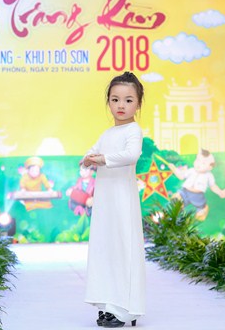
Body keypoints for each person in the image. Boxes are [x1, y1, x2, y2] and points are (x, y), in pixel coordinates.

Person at [83, 71, 145, 328]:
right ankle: (107, 304)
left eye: (128, 100)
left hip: (122, 199)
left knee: (123, 247)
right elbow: (93, 151)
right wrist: (88, 158)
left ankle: (125, 309)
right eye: (115, 99)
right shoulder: (107, 133)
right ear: (108, 101)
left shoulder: (134, 130)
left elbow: (131, 155)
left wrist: (102, 159)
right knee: (105, 247)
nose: (121, 105)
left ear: (138, 104)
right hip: (105, 200)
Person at [168, 149, 225, 221]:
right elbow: (181, 176)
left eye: (203, 163)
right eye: (198, 160)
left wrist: (220, 192)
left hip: (197, 195)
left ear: (210, 167)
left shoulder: (208, 175)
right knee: (176, 198)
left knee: (200, 213)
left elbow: (213, 186)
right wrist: (174, 169)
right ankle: (179, 213)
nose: (199, 164)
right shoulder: (191, 170)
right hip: (185, 191)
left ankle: (203, 209)